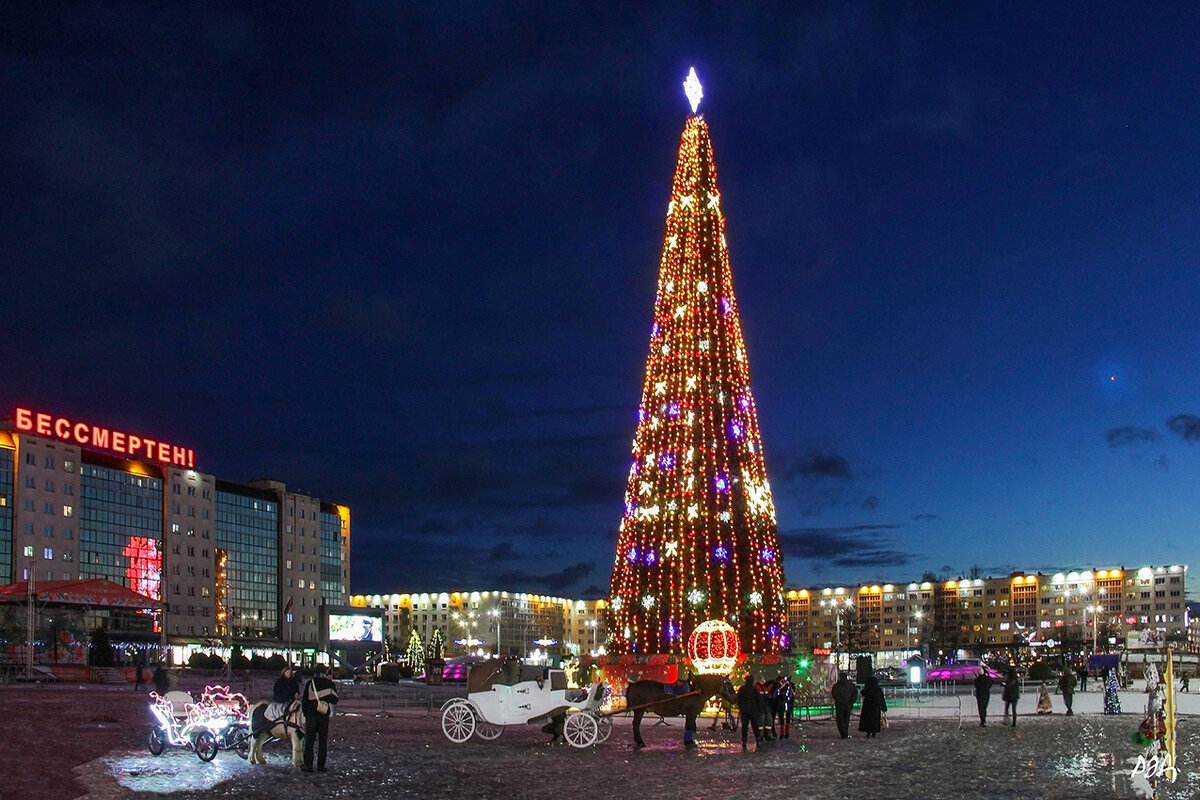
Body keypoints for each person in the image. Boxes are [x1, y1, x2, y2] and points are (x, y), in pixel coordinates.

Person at [301, 666, 339, 772]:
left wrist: (306, 714)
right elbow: (335, 700)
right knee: (323, 742)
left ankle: (308, 765)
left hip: (311, 716)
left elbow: (304, 701)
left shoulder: (310, 683)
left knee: (309, 741)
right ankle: (321, 765)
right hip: (323, 716)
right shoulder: (329, 684)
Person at [736, 674, 764, 750]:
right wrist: (760, 711)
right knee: (755, 727)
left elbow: (738, 700)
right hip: (753, 712)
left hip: (745, 711)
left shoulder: (742, 689)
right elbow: (759, 701)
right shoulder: (754, 690)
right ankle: (758, 741)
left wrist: (741, 708)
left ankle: (744, 742)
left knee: (744, 728)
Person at [831, 671, 859, 739]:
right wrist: (851, 702)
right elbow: (855, 694)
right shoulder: (851, 685)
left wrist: (839, 700)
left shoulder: (836, 686)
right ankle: (845, 732)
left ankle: (842, 732)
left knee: (840, 719)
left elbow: (834, 694)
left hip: (839, 705)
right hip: (848, 704)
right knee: (846, 719)